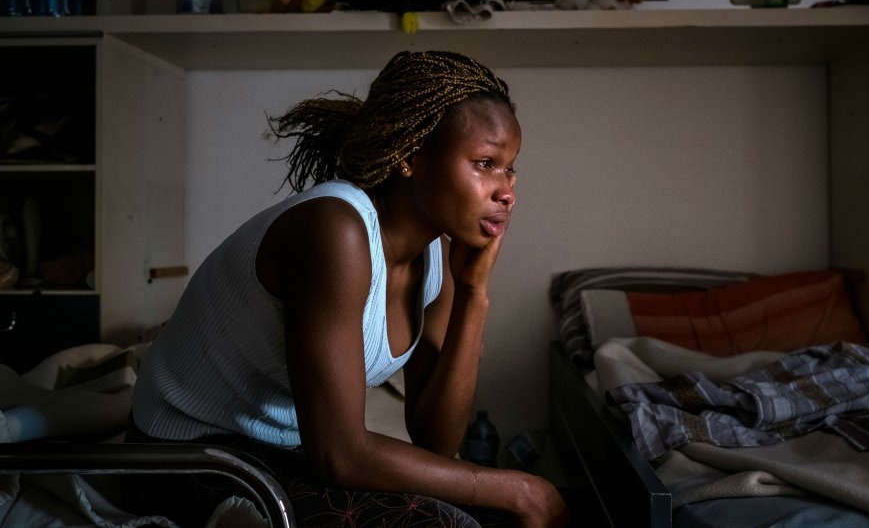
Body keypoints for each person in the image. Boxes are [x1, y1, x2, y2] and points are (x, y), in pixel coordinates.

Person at [129, 51, 567, 527]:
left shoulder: (436, 255)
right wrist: (518, 488)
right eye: (485, 163)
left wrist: (473, 296)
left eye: (510, 168)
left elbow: (436, 441)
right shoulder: (335, 231)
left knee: (494, 508)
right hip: (188, 453)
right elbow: (339, 455)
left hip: (283, 448)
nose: (507, 191)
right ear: (408, 156)